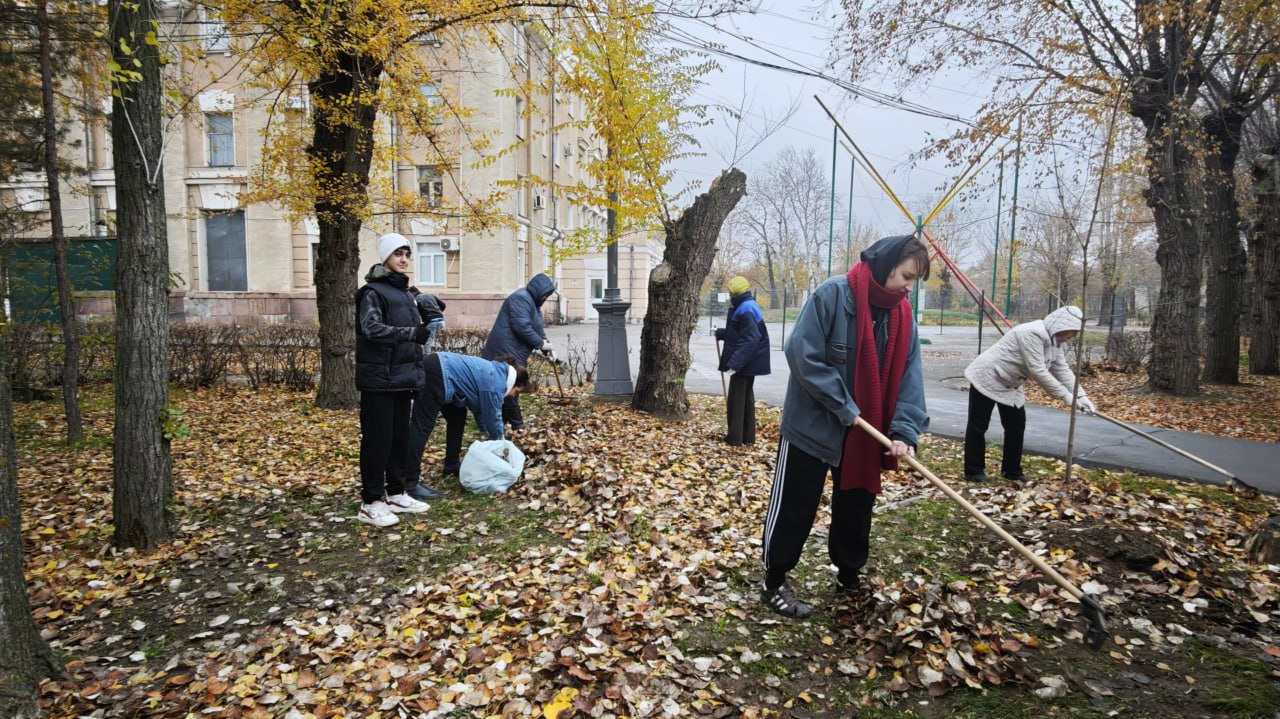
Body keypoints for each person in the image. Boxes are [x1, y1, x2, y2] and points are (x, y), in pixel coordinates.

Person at [760, 234, 931, 619]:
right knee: (795, 505)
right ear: (885, 264)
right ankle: (774, 580)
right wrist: (843, 405)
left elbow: (910, 379)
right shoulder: (834, 295)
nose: (908, 286)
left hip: (865, 435)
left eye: (914, 280)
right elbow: (802, 355)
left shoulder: (903, 316)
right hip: (812, 426)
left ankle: (849, 576)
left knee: (857, 505)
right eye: (905, 276)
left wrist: (904, 431)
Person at [963, 305, 1096, 483]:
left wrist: (1081, 395)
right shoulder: (1032, 333)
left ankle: (1012, 471)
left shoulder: (1055, 343)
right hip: (987, 375)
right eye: (1068, 332)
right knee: (978, 425)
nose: (1068, 337)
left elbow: (1062, 370)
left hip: (1011, 384)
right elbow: (1038, 370)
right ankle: (974, 471)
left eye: (1072, 334)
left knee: (1016, 426)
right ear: (1059, 325)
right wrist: (1066, 397)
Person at [354, 233, 433, 527]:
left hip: (402, 377)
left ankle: (397, 493)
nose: (403, 259)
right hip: (379, 379)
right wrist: (411, 333)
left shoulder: (406, 293)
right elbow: (371, 329)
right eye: (397, 253)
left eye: (407, 254)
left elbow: (414, 326)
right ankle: (371, 501)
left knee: (400, 438)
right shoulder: (372, 292)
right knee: (378, 441)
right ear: (385, 257)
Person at [406, 352, 532, 489]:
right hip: (436, 372)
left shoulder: (497, 373)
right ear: (515, 384)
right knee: (421, 428)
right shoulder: (496, 383)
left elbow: (480, 411)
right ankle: (409, 482)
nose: (513, 395)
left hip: (441, 371)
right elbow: (493, 417)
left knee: (458, 417)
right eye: (517, 391)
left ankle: (452, 464)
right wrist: (500, 445)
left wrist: (486, 434)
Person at [481, 272, 557, 430]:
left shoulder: (534, 304)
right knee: (511, 385)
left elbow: (537, 329)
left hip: (514, 351)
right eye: (545, 294)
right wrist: (541, 344)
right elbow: (521, 327)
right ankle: (516, 424)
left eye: (548, 295)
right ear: (538, 290)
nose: (545, 298)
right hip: (505, 351)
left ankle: (504, 423)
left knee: (507, 386)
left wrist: (547, 348)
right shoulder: (521, 298)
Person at [715, 276, 771, 445]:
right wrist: (721, 333)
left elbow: (750, 339)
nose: (729, 294)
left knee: (736, 401)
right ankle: (747, 437)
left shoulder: (745, 308)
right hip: (750, 360)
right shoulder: (746, 305)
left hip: (745, 362)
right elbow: (740, 332)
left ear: (734, 293)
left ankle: (735, 439)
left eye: (730, 292)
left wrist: (734, 364)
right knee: (745, 399)